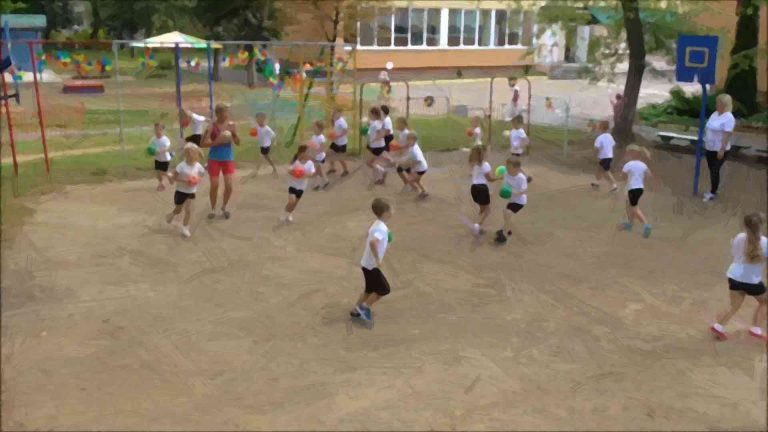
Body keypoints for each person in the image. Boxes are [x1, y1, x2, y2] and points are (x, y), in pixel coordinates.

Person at [711, 213, 768, 341]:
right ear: (761, 226)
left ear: (745, 226)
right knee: (765, 301)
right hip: (753, 281)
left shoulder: (739, 237)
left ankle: (719, 326)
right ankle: (756, 328)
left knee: (734, 305)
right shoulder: (765, 242)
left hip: (734, 276)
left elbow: (734, 253)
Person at [350, 197, 393, 324]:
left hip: (367, 264)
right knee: (384, 289)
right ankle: (364, 308)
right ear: (385, 212)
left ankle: (356, 310)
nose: (393, 211)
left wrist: (387, 238)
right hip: (372, 266)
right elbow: (374, 242)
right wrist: (378, 259)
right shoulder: (381, 228)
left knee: (369, 290)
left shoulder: (378, 224)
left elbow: (374, 238)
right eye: (391, 209)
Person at [201, 103, 240, 220]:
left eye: (227, 112)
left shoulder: (231, 125)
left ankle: (224, 207)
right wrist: (217, 142)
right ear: (218, 114)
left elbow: (238, 142)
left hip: (228, 159)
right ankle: (213, 209)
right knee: (215, 185)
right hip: (214, 159)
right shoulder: (211, 127)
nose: (226, 115)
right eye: (224, 112)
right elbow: (202, 143)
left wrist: (233, 134)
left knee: (229, 187)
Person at [166, 143, 206, 238]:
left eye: (193, 153)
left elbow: (201, 175)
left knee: (188, 210)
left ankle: (185, 228)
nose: (191, 155)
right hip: (180, 191)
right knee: (178, 210)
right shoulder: (181, 166)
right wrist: (186, 181)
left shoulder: (198, 166)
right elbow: (175, 178)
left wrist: (197, 180)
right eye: (188, 153)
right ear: (186, 155)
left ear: (196, 154)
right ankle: (172, 214)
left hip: (191, 192)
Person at [702, 94, 736, 202]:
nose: (716, 105)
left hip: (720, 149)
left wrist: (722, 149)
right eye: (717, 102)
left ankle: (713, 192)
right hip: (709, 147)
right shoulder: (715, 114)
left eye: (719, 103)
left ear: (724, 104)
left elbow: (727, 134)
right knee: (712, 169)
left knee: (715, 170)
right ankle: (714, 189)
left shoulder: (729, 117)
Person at [620, 144, 653, 238]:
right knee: (629, 205)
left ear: (631, 154)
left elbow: (622, 177)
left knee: (634, 208)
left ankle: (646, 224)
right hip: (640, 188)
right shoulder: (643, 164)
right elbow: (649, 175)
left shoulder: (628, 165)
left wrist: (625, 177)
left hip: (632, 188)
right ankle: (630, 223)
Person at [495, 159, 528, 245]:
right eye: (507, 166)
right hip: (512, 200)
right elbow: (506, 186)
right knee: (505, 214)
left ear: (516, 169)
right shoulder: (506, 174)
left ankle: (503, 235)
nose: (507, 168)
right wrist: (502, 191)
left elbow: (523, 191)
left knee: (507, 213)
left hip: (520, 201)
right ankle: (507, 229)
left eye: (509, 167)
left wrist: (511, 191)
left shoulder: (521, 178)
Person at [469, 145, 499, 236]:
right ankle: (478, 225)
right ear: (483, 153)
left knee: (482, 209)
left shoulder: (473, 163)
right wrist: (500, 178)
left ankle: (479, 225)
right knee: (487, 210)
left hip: (474, 188)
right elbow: (490, 179)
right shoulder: (485, 165)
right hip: (482, 188)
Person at [282, 144, 316, 223]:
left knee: (295, 203)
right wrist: (295, 173)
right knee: (292, 201)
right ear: (302, 153)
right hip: (293, 184)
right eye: (307, 152)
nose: (309, 154)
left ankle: (289, 214)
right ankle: (284, 213)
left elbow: (312, 173)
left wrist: (304, 175)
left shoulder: (310, 163)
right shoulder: (295, 161)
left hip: (302, 187)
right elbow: (289, 170)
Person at [389, 132, 429, 199]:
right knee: (416, 180)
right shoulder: (414, 146)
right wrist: (398, 160)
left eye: (409, 140)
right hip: (421, 167)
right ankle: (423, 191)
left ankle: (419, 191)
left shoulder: (413, 150)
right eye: (407, 139)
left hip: (420, 168)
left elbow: (417, 160)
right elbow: (407, 158)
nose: (407, 141)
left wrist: (397, 161)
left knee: (410, 180)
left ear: (414, 140)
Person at [590, 120, 618, 192]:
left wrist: (595, 154)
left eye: (599, 125)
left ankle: (614, 185)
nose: (598, 126)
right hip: (609, 156)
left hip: (604, 156)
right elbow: (613, 144)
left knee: (606, 171)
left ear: (601, 127)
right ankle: (597, 183)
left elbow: (596, 147)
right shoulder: (609, 136)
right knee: (599, 169)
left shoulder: (600, 138)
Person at [366, 107, 388, 185]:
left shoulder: (376, 123)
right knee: (371, 163)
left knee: (371, 163)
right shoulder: (375, 122)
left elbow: (382, 134)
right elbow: (372, 128)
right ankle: (380, 176)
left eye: (370, 113)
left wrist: (373, 139)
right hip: (376, 146)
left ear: (373, 114)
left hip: (378, 147)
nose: (368, 114)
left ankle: (382, 173)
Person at [509, 114, 533, 183]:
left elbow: (527, 141)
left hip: (517, 152)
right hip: (513, 151)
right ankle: (526, 177)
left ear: (518, 123)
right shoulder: (513, 130)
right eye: (512, 122)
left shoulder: (520, 131)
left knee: (515, 166)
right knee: (515, 166)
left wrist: (519, 146)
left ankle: (524, 177)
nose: (512, 124)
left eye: (514, 122)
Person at [150, 123, 173, 192]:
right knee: (158, 173)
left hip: (165, 159)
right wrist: (151, 151)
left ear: (163, 130)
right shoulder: (153, 139)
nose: (157, 131)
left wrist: (159, 151)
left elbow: (167, 148)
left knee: (162, 172)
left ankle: (168, 177)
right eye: (156, 129)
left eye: (159, 129)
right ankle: (162, 182)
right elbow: (151, 147)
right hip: (157, 159)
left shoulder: (165, 139)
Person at [327, 108, 350, 177]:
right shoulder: (335, 120)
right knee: (330, 153)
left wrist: (338, 136)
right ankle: (332, 168)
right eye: (334, 112)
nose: (334, 114)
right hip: (335, 142)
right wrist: (332, 135)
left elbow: (346, 131)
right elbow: (334, 128)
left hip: (341, 143)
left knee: (340, 158)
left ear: (340, 113)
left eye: (336, 112)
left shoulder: (342, 121)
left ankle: (346, 170)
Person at [311, 120, 330, 191]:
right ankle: (326, 181)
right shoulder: (313, 137)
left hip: (320, 157)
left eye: (315, 127)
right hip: (315, 157)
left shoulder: (321, 138)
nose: (313, 129)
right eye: (313, 127)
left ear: (320, 129)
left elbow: (322, 148)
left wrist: (316, 151)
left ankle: (317, 185)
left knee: (317, 171)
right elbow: (312, 145)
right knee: (319, 171)